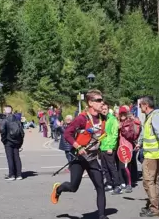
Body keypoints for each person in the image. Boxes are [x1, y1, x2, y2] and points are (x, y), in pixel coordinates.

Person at [51, 89, 108, 219]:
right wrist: (78, 146)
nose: (101, 102)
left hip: (92, 158)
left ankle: (102, 215)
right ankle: (59, 189)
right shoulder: (81, 118)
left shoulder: (102, 118)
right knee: (73, 187)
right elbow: (67, 134)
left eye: (101, 100)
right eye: (98, 100)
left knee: (100, 186)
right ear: (90, 103)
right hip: (79, 158)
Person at [136, 96, 159, 218]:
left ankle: (154, 208)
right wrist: (139, 143)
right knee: (154, 181)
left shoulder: (155, 116)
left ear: (146, 105)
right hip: (154, 155)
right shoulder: (150, 116)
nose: (139, 107)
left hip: (152, 156)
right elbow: (146, 133)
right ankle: (153, 205)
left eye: (140, 105)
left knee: (148, 182)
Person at [100, 102, 122, 194]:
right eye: (102, 109)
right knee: (104, 167)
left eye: (105, 109)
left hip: (109, 147)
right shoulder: (101, 119)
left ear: (108, 109)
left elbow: (114, 134)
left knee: (112, 167)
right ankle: (109, 184)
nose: (103, 110)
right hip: (102, 147)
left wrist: (111, 147)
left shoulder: (112, 119)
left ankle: (117, 185)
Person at [117, 105, 138, 193]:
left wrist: (122, 129)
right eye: (121, 114)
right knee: (121, 167)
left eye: (124, 114)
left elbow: (131, 136)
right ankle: (123, 183)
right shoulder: (119, 123)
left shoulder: (130, 123)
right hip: (120, 147)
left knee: (126, 167)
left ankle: (129, 184)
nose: (122, 116)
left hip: (127, 147)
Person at [1, 105, 24, 181]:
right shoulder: (17, 120)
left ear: (5, 112)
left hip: (8, 142)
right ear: (11, 111)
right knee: (17, 157)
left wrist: (4, 140)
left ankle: (12, 175)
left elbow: (2, 131)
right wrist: (20, 142)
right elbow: (22, 132)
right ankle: (19, 175)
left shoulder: (5, 120)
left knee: (10, 158)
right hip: (17, 142)